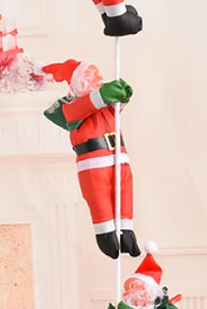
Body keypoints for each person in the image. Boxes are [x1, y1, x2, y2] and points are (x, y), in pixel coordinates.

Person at [43, 58, 140, 259]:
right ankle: (106, 236)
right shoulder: (71, 108)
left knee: (124, 194)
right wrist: (104, 94)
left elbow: (115, 106)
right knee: (100, 198)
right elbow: (89, 103)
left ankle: (127, 233)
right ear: (78, 83)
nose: (97, 78)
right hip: (94, 163)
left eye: (96, 74)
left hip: (119, 158)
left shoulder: (105, 106)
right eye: (90, 75)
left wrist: (123, 95)